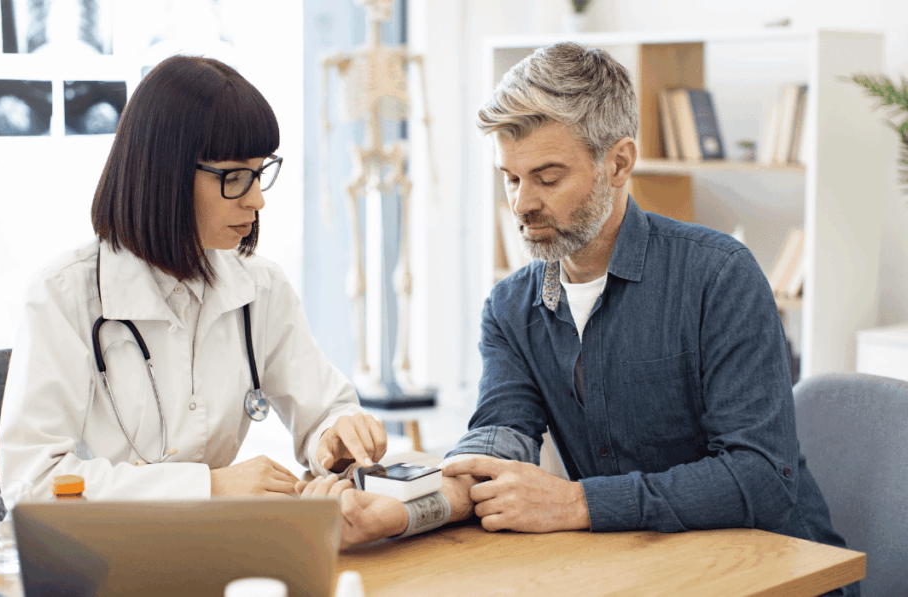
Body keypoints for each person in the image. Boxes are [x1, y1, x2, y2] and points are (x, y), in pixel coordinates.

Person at [298, 42, 856, 597]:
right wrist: (404, 510)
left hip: (781, 573)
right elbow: (500, 442)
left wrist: (578, 501)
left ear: (618, 162)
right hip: (646, 568)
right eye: (510, 178)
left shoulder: (720, 277)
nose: (519, 205)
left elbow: (758, 479)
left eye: (547, 177)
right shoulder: (510, 307)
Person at [0, 55, 387, 501]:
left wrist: (335, 438)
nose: (257, 200)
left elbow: (323, 409)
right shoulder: (64, 295)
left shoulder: (260, 288)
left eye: (259, 173)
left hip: (217, 547)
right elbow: (32, 483)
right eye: (236, 176)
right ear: (168, 173)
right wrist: (209, 486)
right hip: (103, 557)